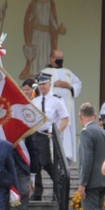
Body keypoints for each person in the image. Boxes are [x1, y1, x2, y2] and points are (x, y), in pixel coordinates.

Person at [31, 69, 69, 201]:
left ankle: (59, 185)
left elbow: (65, 118)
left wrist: (56, 132)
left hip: (47, 135)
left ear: (49, 84)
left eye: (44, 84)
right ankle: (37, 192)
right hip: (36, 134)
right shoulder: (35, 101)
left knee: (46, 162)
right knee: (35, 164)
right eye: (40, 85)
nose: (42, 87)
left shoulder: (56, 100)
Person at [22, 0, 65, 77]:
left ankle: (45, 72)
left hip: (46, 33)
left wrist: (57, 28)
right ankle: (34, 71)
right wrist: (31, 19)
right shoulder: (35, 3)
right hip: (36, 32)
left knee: (45, 51)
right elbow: (30, 18)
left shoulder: (50, 3)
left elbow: (52, 18)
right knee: (37, 53)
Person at [48, 50, 82, 162]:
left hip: (67, 109)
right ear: (52, 58)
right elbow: (39, 87)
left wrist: (70, 86)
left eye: (61, 57)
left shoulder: (68, 72)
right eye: (58, 57)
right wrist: (54, 84)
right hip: (52, 110)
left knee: (66, 131)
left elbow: (78, 84)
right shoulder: (45, 72)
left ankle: (66, 156)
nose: (60, 60)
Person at [5, 133, 38, 210]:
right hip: (5, 165)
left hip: (22, 166)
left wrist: (33, 171)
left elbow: (33, 150)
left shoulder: (24, 128)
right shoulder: (1, 128)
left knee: (24, 192)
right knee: (4, 194)